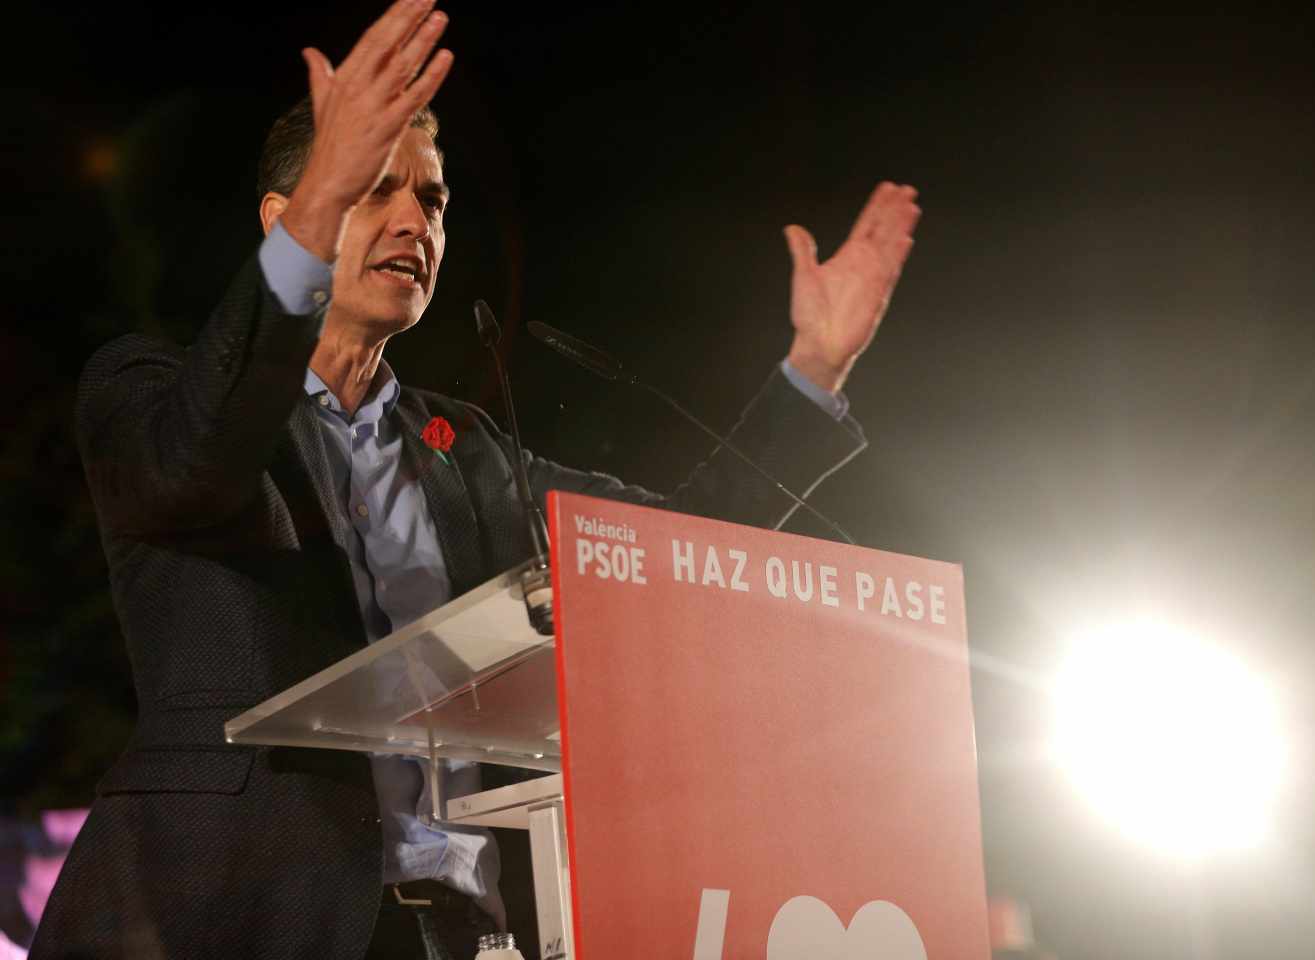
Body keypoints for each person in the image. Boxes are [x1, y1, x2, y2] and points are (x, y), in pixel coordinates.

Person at [31, 1, 921, 957]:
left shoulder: (471, 452)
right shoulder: (148, 386)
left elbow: (668, 552)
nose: (415, 221)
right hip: (225, 919)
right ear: (285, 219)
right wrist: (326, 192)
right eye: (377, 188)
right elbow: (191, 467)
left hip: (463, 933)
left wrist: (813, 373)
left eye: (436, 201)